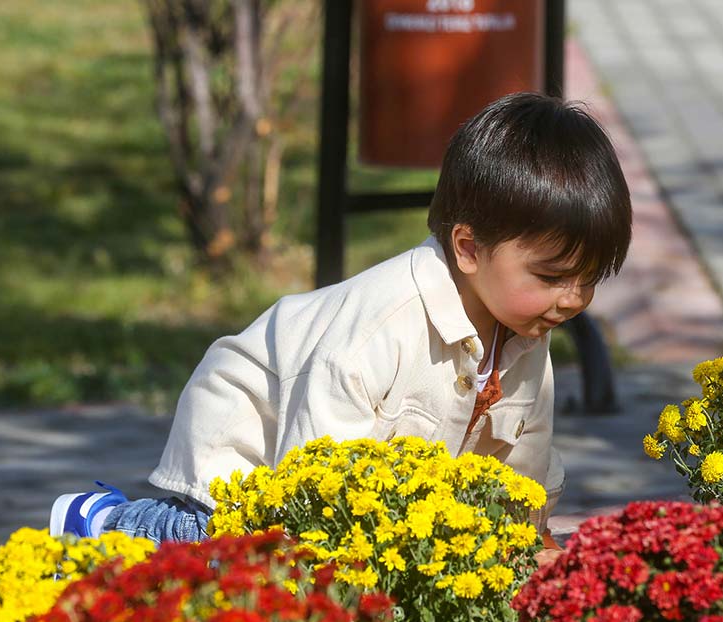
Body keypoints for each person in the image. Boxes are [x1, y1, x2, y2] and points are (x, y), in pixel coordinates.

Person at [49, 92, 633, 565]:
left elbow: (525, 453)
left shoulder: (525, 324)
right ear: (469, 248)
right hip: (254, 451)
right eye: (552, 276)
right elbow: (313, 480)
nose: (572, 299)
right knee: (242, 557)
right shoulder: (378, 328)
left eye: (589, 280)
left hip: (365, 481)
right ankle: (107, 523)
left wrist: (532, 538)